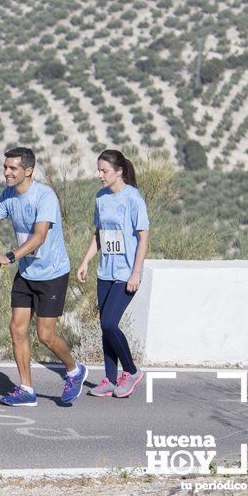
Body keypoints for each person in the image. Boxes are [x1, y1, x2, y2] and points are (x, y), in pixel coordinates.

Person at [0, 147, 87, 407]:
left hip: (52, 273)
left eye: (13, 168)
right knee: (17, 328)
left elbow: (39, 236)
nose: (7, 172)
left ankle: (74, 370)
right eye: (5, 167)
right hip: (27, 272)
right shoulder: (8, 195)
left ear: (28, 171)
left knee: (46, 335)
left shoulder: (44, 196)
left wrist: (10, 256)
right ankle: (26, 389)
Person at [76, 149, 149, 398]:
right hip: (105, 271)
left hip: (126, 272)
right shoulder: (101, 198)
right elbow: (99, 234)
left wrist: (136, 273)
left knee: (109, 323)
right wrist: (86, 261)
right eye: (98, 170)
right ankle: (109, 379)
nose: (99, 175)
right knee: (104, 328)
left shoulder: (133, 198)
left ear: (119, 172)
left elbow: (143, 238)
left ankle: (131, 371)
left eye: (104, 171)